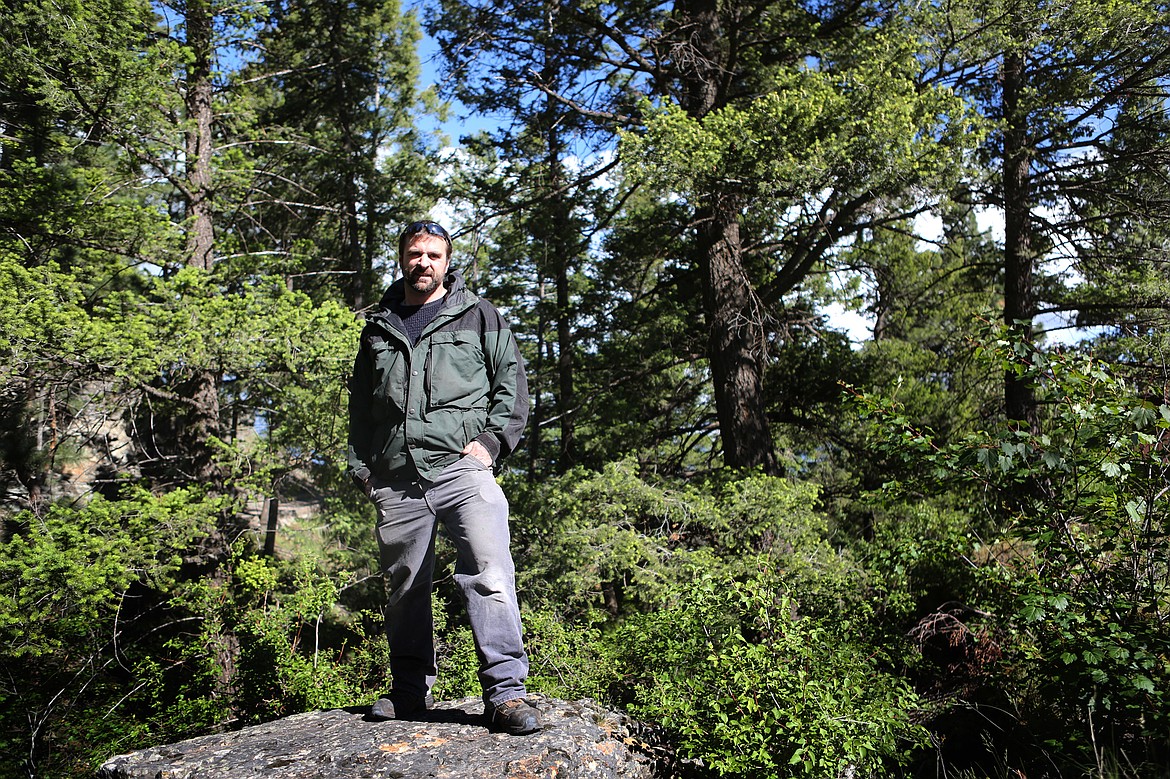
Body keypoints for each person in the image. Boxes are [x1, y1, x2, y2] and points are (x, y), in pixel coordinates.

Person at [346, 220, 540, 735]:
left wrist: (492, 446)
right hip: (397, 478)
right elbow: (361, 407)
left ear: (447, 262)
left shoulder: (479, 315)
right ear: (402, 258)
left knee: (490, 575)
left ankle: (505, 695)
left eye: (434, 254)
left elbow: (512, 386)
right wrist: (362, 468)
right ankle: (409, 693)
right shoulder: (379, 326)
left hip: (462, 469)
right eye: (415, 253)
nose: (424, 262)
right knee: (405, 587)